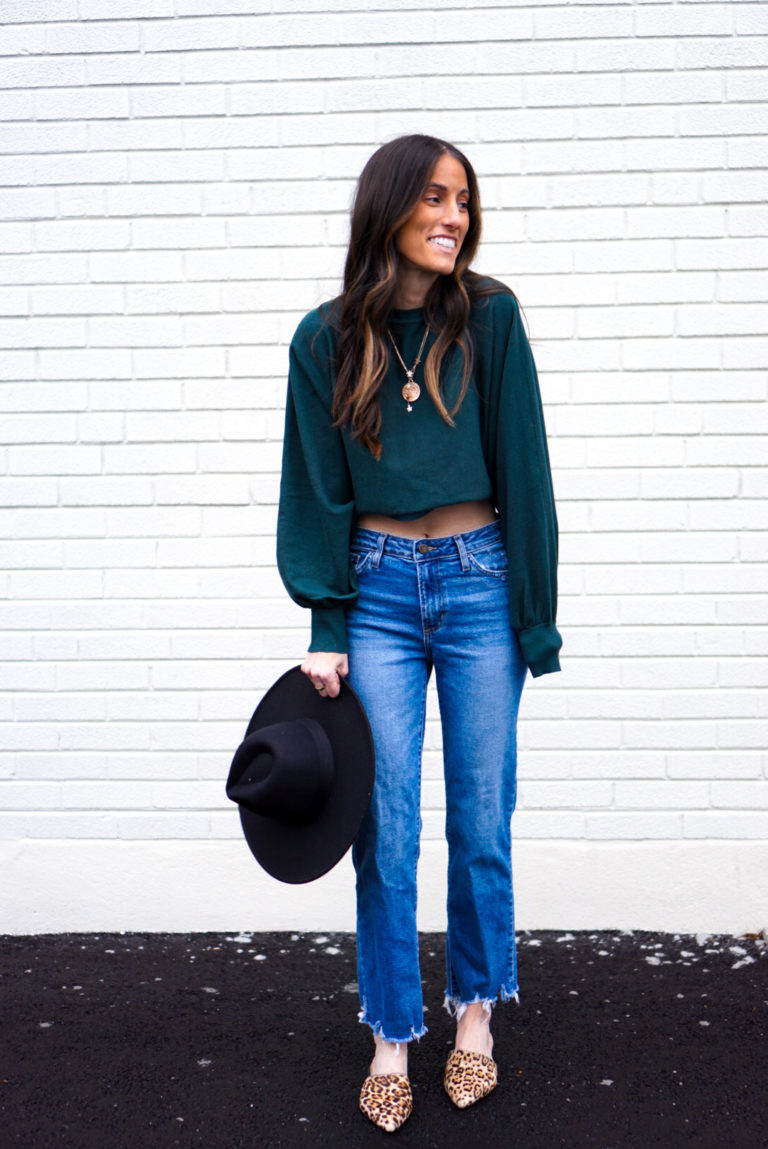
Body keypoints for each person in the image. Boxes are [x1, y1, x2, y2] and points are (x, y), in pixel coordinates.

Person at [276, 134, 561, 1133]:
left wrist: (533, 613)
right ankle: (392, 1029)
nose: (455, 217)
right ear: (389, 207)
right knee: (383, 827)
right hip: (380, 592)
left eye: (466, 203)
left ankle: (475, 1016)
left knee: (481, 819)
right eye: (437, 198)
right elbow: (315, 493)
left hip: (481, 581)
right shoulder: (325, 341)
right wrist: (327, 621)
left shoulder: (490, 318)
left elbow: (525, 469)